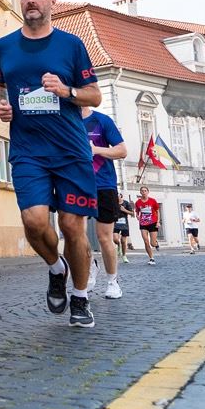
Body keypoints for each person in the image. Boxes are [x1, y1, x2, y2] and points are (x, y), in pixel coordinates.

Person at [0, 0, 102, 328]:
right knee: (34, 221)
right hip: (28, 150)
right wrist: (1, 104)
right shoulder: (5, 46)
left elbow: (94, 96)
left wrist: (66, 90)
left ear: (51, 2)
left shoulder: (71, 45)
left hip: (70, 151)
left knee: (72, 227)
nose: (30, 1)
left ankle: (81, 298)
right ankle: (57, 268)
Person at [83, 107, 127, 299]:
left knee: (104, 237)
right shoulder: (65, 119)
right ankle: (90, 265)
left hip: (103, 184)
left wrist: (95, 150)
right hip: (76, 183)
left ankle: (112, 281)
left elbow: (122, 150)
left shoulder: (101, 120)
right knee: (75, 234)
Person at [134, 185, 161, 265]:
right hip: (143, 223)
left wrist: (158, 221)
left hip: (153, 222)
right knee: (146, 241)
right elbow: (137, 211)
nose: (144, 192)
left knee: (152, 243)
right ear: (140, 192)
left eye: (145, 191)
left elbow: (157, 211)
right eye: (142, 191)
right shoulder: (138, 202)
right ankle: (151, 258)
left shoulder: (153, 201)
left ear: (148, 192)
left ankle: (155, 243)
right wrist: (137, 215)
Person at [114, 193, 133, 263]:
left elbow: (132, 213)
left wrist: (124, 210)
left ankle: (124, 256)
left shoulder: (126, 203)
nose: (116, 197)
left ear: (121, 197)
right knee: (115, 239)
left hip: (124, 224)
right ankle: (118, 245)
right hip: (115, 223)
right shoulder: (113, 203)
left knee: (123, 241)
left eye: (118, 196)